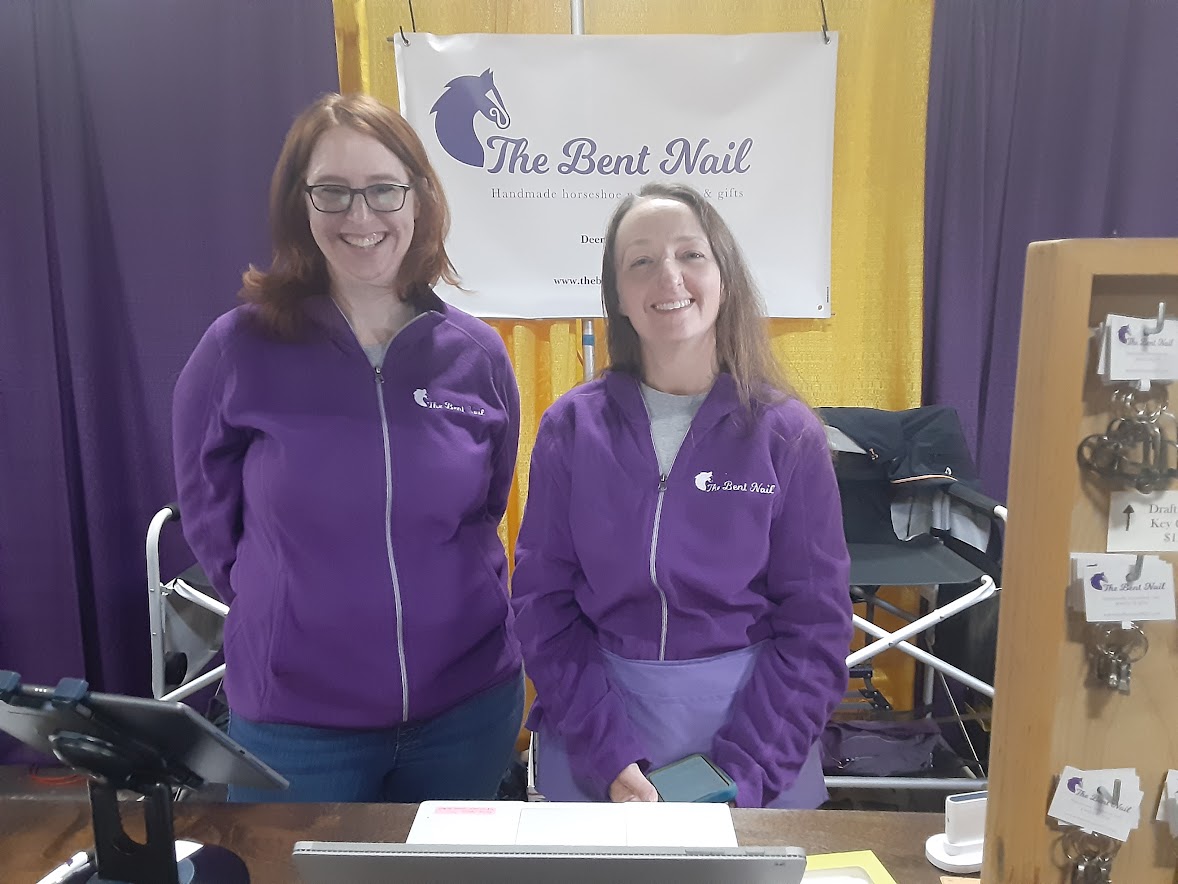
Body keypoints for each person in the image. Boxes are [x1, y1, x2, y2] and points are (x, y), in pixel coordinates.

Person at [172, 93, 523, 803]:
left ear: (419, 198)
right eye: (332, 191)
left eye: (383, 189)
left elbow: (486, 508)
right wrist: (281, 606)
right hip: (296, 723)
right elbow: (208, 513)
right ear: (299, 204)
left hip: (466, 711)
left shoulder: (477, 354)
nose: (360, 217)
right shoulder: (238, 348)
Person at [511, 182, 852, 808]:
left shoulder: (788, 434)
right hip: (598, 736)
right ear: (618, 295)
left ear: (724, 275)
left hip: (757, 739)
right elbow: (543, 606)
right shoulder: (571, 428)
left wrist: (742, 775)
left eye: (690, 254)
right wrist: (608, 756)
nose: (668, 276)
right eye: (640, 260)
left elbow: (816, 626)